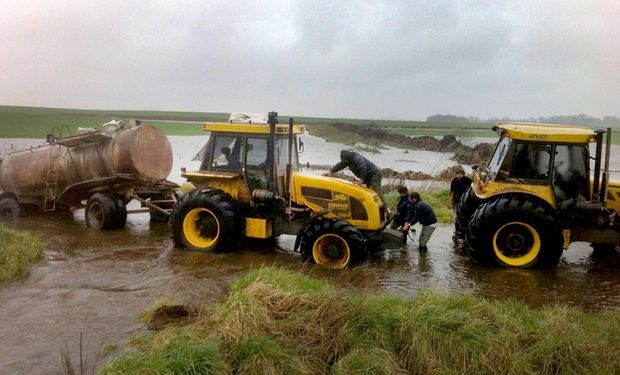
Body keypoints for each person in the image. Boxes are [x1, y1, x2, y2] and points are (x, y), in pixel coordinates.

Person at [449, 166, 472, 240]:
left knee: (462, 217)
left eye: (461, 174)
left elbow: (470, 192)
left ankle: (463, 232)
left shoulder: (468, 181)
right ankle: (457, 232)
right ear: (456, 174)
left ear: (463, 174)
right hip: (455, 201)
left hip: (464, 202)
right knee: (456, 217)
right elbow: (451, 191)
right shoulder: (454, 180)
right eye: (458, 174)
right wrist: (450, 200)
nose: (459, 175)